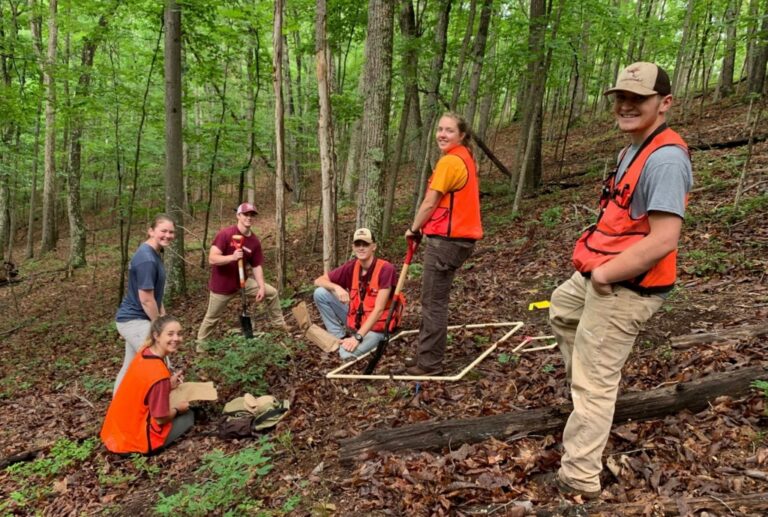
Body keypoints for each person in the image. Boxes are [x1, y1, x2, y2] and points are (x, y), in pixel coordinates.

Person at [546, 62, 693, 499]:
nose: (626, 105)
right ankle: (589, 397)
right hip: (601, 271)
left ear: (664, 104)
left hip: (627, 283)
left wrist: (607, 274)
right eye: (621, 97)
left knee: (595, 382)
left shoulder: (665, 159)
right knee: (562, 308)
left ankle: (579, 479)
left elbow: (665, 238)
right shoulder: (632, 147)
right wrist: (597, 270)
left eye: (639, 99)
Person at [404, 112, 483, 376]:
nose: (442, 134)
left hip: (447, 243)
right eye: (439, 129)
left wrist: (413, 229)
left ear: (461, 135)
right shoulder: (464, 158)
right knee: (434, 300)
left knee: (433, 303)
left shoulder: (451, 162)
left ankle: (429, 364)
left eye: (449, 130)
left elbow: (430, 201)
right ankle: (425, 357)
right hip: (456, 240)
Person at [197, 202, 287, 345]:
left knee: (272, 293)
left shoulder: (254, 241)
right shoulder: (225, 234)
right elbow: (212, 259)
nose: (249, 217)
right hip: (222, 286)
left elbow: (257, 266)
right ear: (238, 215)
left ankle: (281, 328)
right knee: (212, 318)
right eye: (245, 214)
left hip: (242, 283)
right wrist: (232, 257)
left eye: (252, 215)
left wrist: (262, 287)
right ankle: (201, 346)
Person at [101, 315, 194, 454]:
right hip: (136, 441)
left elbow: (144, 388)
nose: (176, 338)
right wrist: (177, 409)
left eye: (179, 334)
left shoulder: (144, 353)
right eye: (170, 334)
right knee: (189, 415)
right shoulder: (159, 374)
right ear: (156, 335)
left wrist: (167, 385)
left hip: (115, 433)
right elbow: (160, 419)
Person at [114, 214, 175, 394]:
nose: (168, 235)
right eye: (163, 231)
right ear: (151, 231)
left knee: (130, 365)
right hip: (134, 320)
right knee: (159, 361)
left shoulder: (154, 254)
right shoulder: (147, 258)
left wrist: (162, 315)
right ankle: (160, 407)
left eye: (171, 232)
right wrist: (160, 326)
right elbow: (146, 299)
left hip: (139, 319)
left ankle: (118, 404)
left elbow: (155, 294)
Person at [313, 228, 397, 360]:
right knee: (320, 293)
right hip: (357, 320)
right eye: (358, 244)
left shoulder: (386, 269)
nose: (361, 248)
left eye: (365, 244)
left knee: (345, 354)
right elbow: (318, 281)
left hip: (376, 328)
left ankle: (349, 343)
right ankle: (340, 338)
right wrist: (337, 287)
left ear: (373, 246)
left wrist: (358, 337)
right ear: (353, 247)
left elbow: (379, 310)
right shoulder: (352, 266)